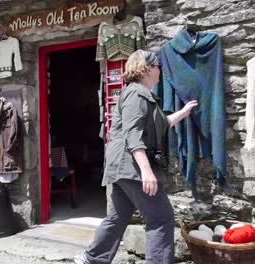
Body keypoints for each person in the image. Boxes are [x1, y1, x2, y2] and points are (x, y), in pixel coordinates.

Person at [75, 50, 198, 264]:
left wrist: (184, 112)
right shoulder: (137, 94)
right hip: (132, 167)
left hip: (123, 167)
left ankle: (92, 258)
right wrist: (146, 171)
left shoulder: (140, 95)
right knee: (161, 218)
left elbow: (162, 124)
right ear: (147, 68)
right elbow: (133, 134)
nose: (160, 70)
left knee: (118, 216)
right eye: (157, 66)